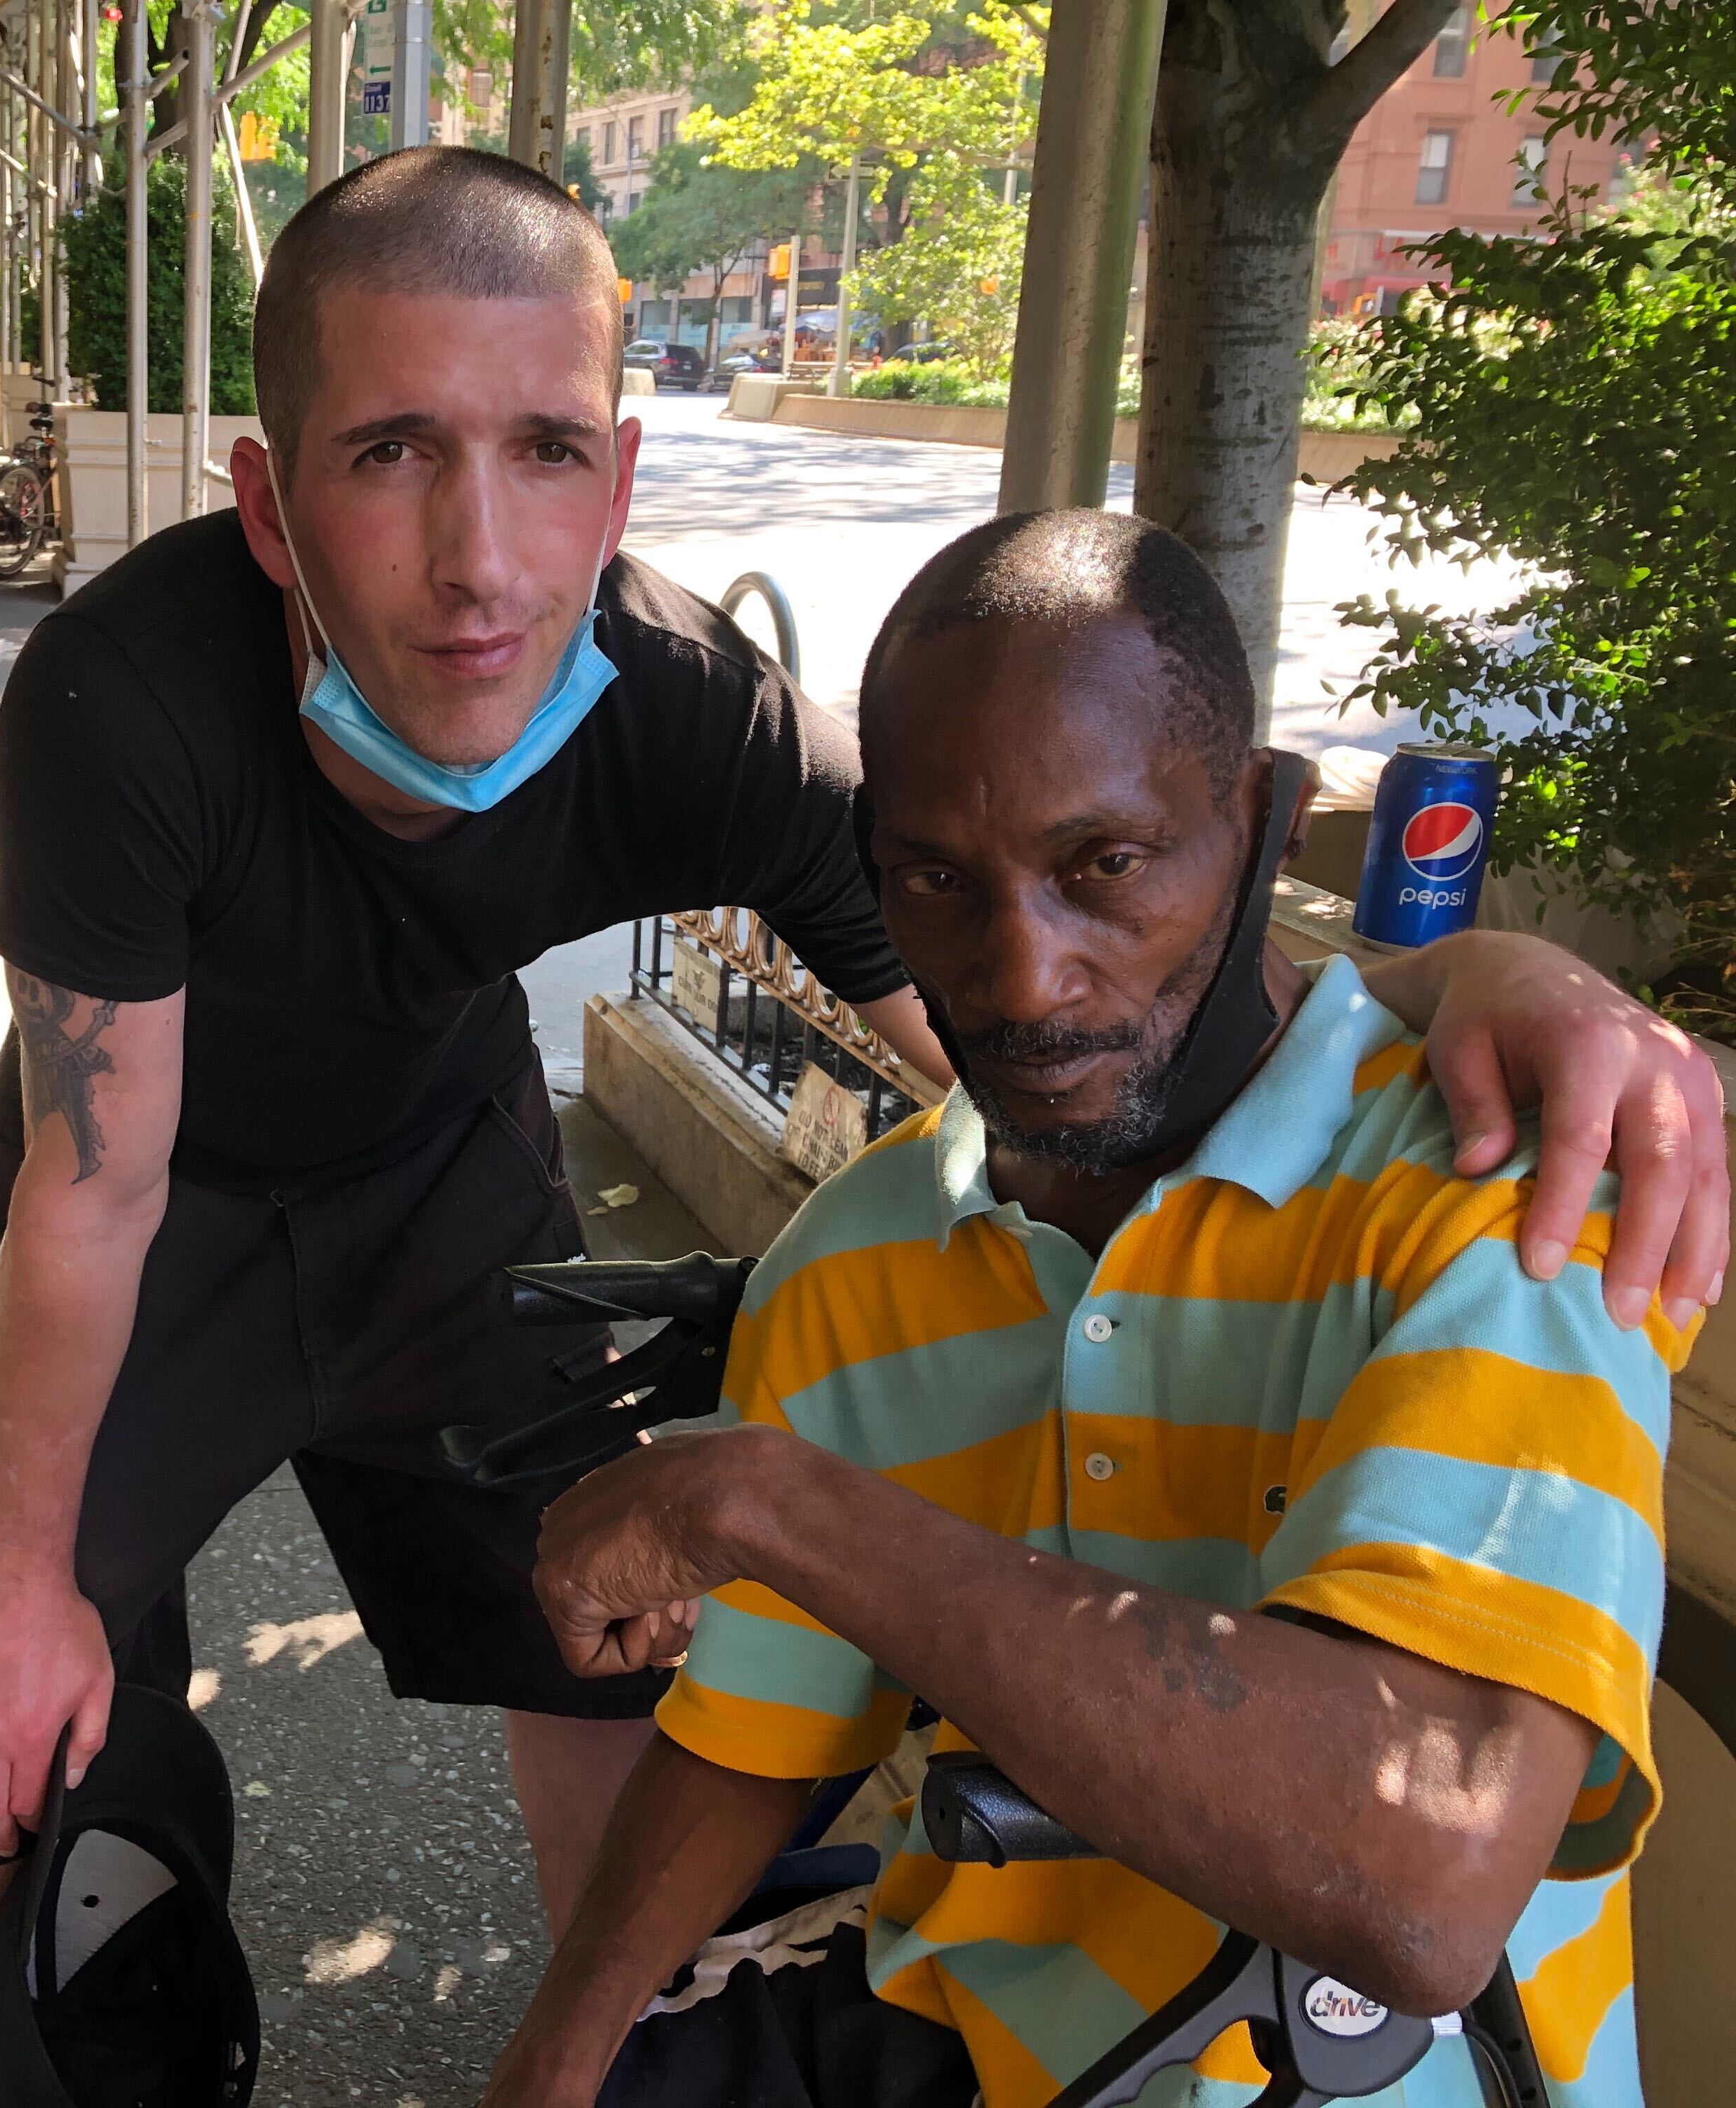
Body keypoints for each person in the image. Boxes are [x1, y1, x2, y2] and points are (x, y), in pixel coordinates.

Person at [0, 147, 1724, 2108]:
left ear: (620, 479)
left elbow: (1043, 981)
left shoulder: (693, 714)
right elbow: (92, 1189)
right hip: (151, 1193)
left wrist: (1464, 983)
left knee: (588, 1640)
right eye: (393, 453)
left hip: (437, 1165)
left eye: (546, 452)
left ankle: (607, 2017)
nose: (481, 560)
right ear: (270, 503)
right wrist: (20, 1575)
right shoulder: (123, 704)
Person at [488, 510, 1695, 2108]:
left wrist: (772, 1504)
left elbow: (1427, 1877)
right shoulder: (857, 1262)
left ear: (1260, 820)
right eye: (937, 879)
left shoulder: (1498, 1200)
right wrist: (553, 2062)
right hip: (982, 2040)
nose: (1023, 976)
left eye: (1104, 866)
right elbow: (759, 1733)